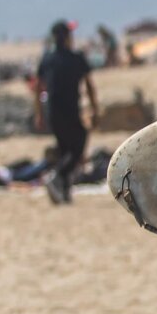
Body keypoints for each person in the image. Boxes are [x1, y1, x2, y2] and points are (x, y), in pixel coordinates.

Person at [34, 21, 98, 204]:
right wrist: (94, 108)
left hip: (53, 112)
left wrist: (39, 113)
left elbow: (38, 87)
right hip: (71, 110)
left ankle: (63, 192)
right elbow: (89, 85)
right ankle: (57, 176)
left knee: (64, 150)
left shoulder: (47, 58)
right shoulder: (76, 58)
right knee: (78, 145)